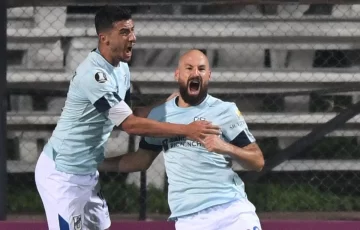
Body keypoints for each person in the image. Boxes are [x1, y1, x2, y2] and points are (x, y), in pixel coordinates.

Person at [34, 7, 220, 230]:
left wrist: (171, 103)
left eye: (132, 30)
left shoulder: (121, 68)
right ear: (104, 38)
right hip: (61, 176)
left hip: (87, 173)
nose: (133, 37)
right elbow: (130, 125)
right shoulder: (94, 76)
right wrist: (186, 129)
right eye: (124, 32)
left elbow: (131, 114)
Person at [101, 49, 265, 230]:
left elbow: (257, 161)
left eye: (201, 69)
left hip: (231, 211)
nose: (195, 73)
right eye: (189, 68)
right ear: (177, 74)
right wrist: (94, 163)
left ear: (209, 75)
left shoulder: (224, 110)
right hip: (189, 220)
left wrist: (226, 147)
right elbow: (140, 161)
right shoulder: (160, 115)